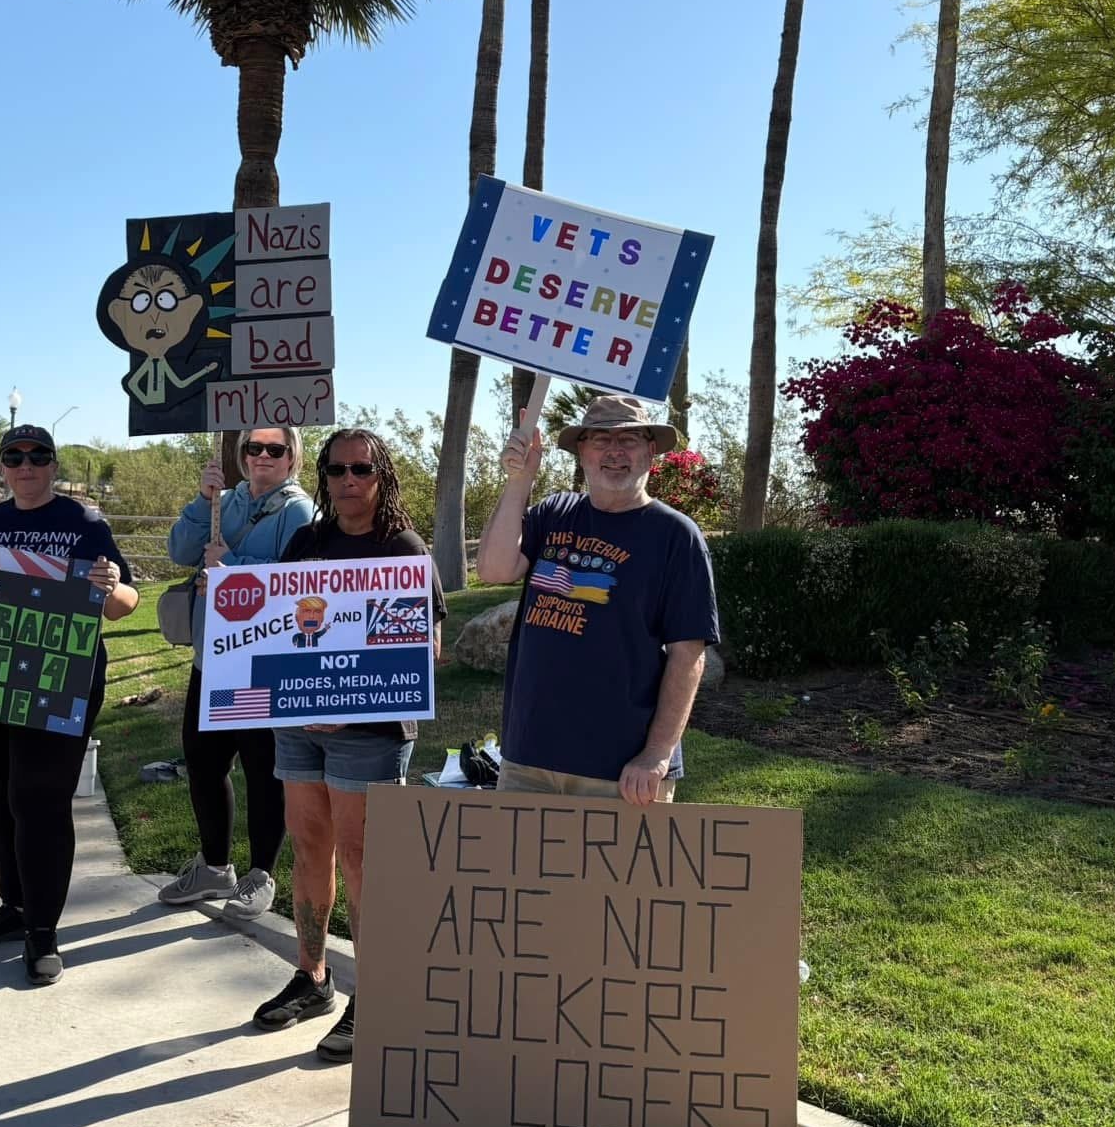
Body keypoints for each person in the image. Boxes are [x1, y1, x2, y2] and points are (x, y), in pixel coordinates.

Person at [251, 427, 445, 1060]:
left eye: (360, 468)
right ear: (324, 478)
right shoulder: (306, 541)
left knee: (365, 862)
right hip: (299, 728)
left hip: (371, 735)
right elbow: (281, 627)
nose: (347, 480)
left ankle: (377, 993)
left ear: (381, 474)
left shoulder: (401, 546)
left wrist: (349, 702)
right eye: (335, 471)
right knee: (310, 847)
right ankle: (313, 976)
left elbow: (427, 652)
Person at [0, 424, 138, 986]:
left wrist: (110, 588)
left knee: (39, 798)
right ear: (2, 467)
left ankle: (43, 930)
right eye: (15, 457)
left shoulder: (84, 523)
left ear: (54, 465)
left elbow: (125, 603)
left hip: (61, 680)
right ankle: (15, 905)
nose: (26, 466)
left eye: (38, 456)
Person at [478, 393, 718, 806]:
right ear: (582, 452)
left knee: (626, 875)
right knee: (517, 874)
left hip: (622, 772)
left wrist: (656, 755)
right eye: (600, 440)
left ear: (650, 451)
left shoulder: (676, 536)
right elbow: (495, 569)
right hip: (527, 762)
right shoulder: (554, 513)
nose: (614, 452)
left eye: (628, 440)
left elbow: (687, 654)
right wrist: (519, 480)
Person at [158, 427, 314, 918]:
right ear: (240, 455)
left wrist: (233, 564)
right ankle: (214, 867)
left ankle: (261, 873)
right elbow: (180, 552)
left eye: (275, 449)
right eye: (253, 448)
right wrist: (200, 500)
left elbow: (299, 579)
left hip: (261, 661)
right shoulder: (220, 501)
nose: (262, 456)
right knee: (204, 762)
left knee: (263, 768)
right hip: (214, 658)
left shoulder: (298, 511)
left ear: (292, 458)